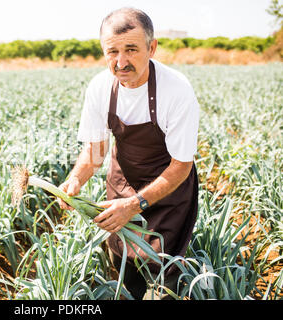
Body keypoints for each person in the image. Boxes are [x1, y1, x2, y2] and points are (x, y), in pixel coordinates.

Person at [58, 7, 200, 300]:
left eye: (131, 49)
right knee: (125, 270)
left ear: (152, 48)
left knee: (163, 278)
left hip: (169, 193)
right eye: (112, 52)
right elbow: (96, 151)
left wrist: (134, 206)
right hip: (121, 186)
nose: (120, 62)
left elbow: (181, 167)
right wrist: (76, 180)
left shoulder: (176, 91)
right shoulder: (100, 88)